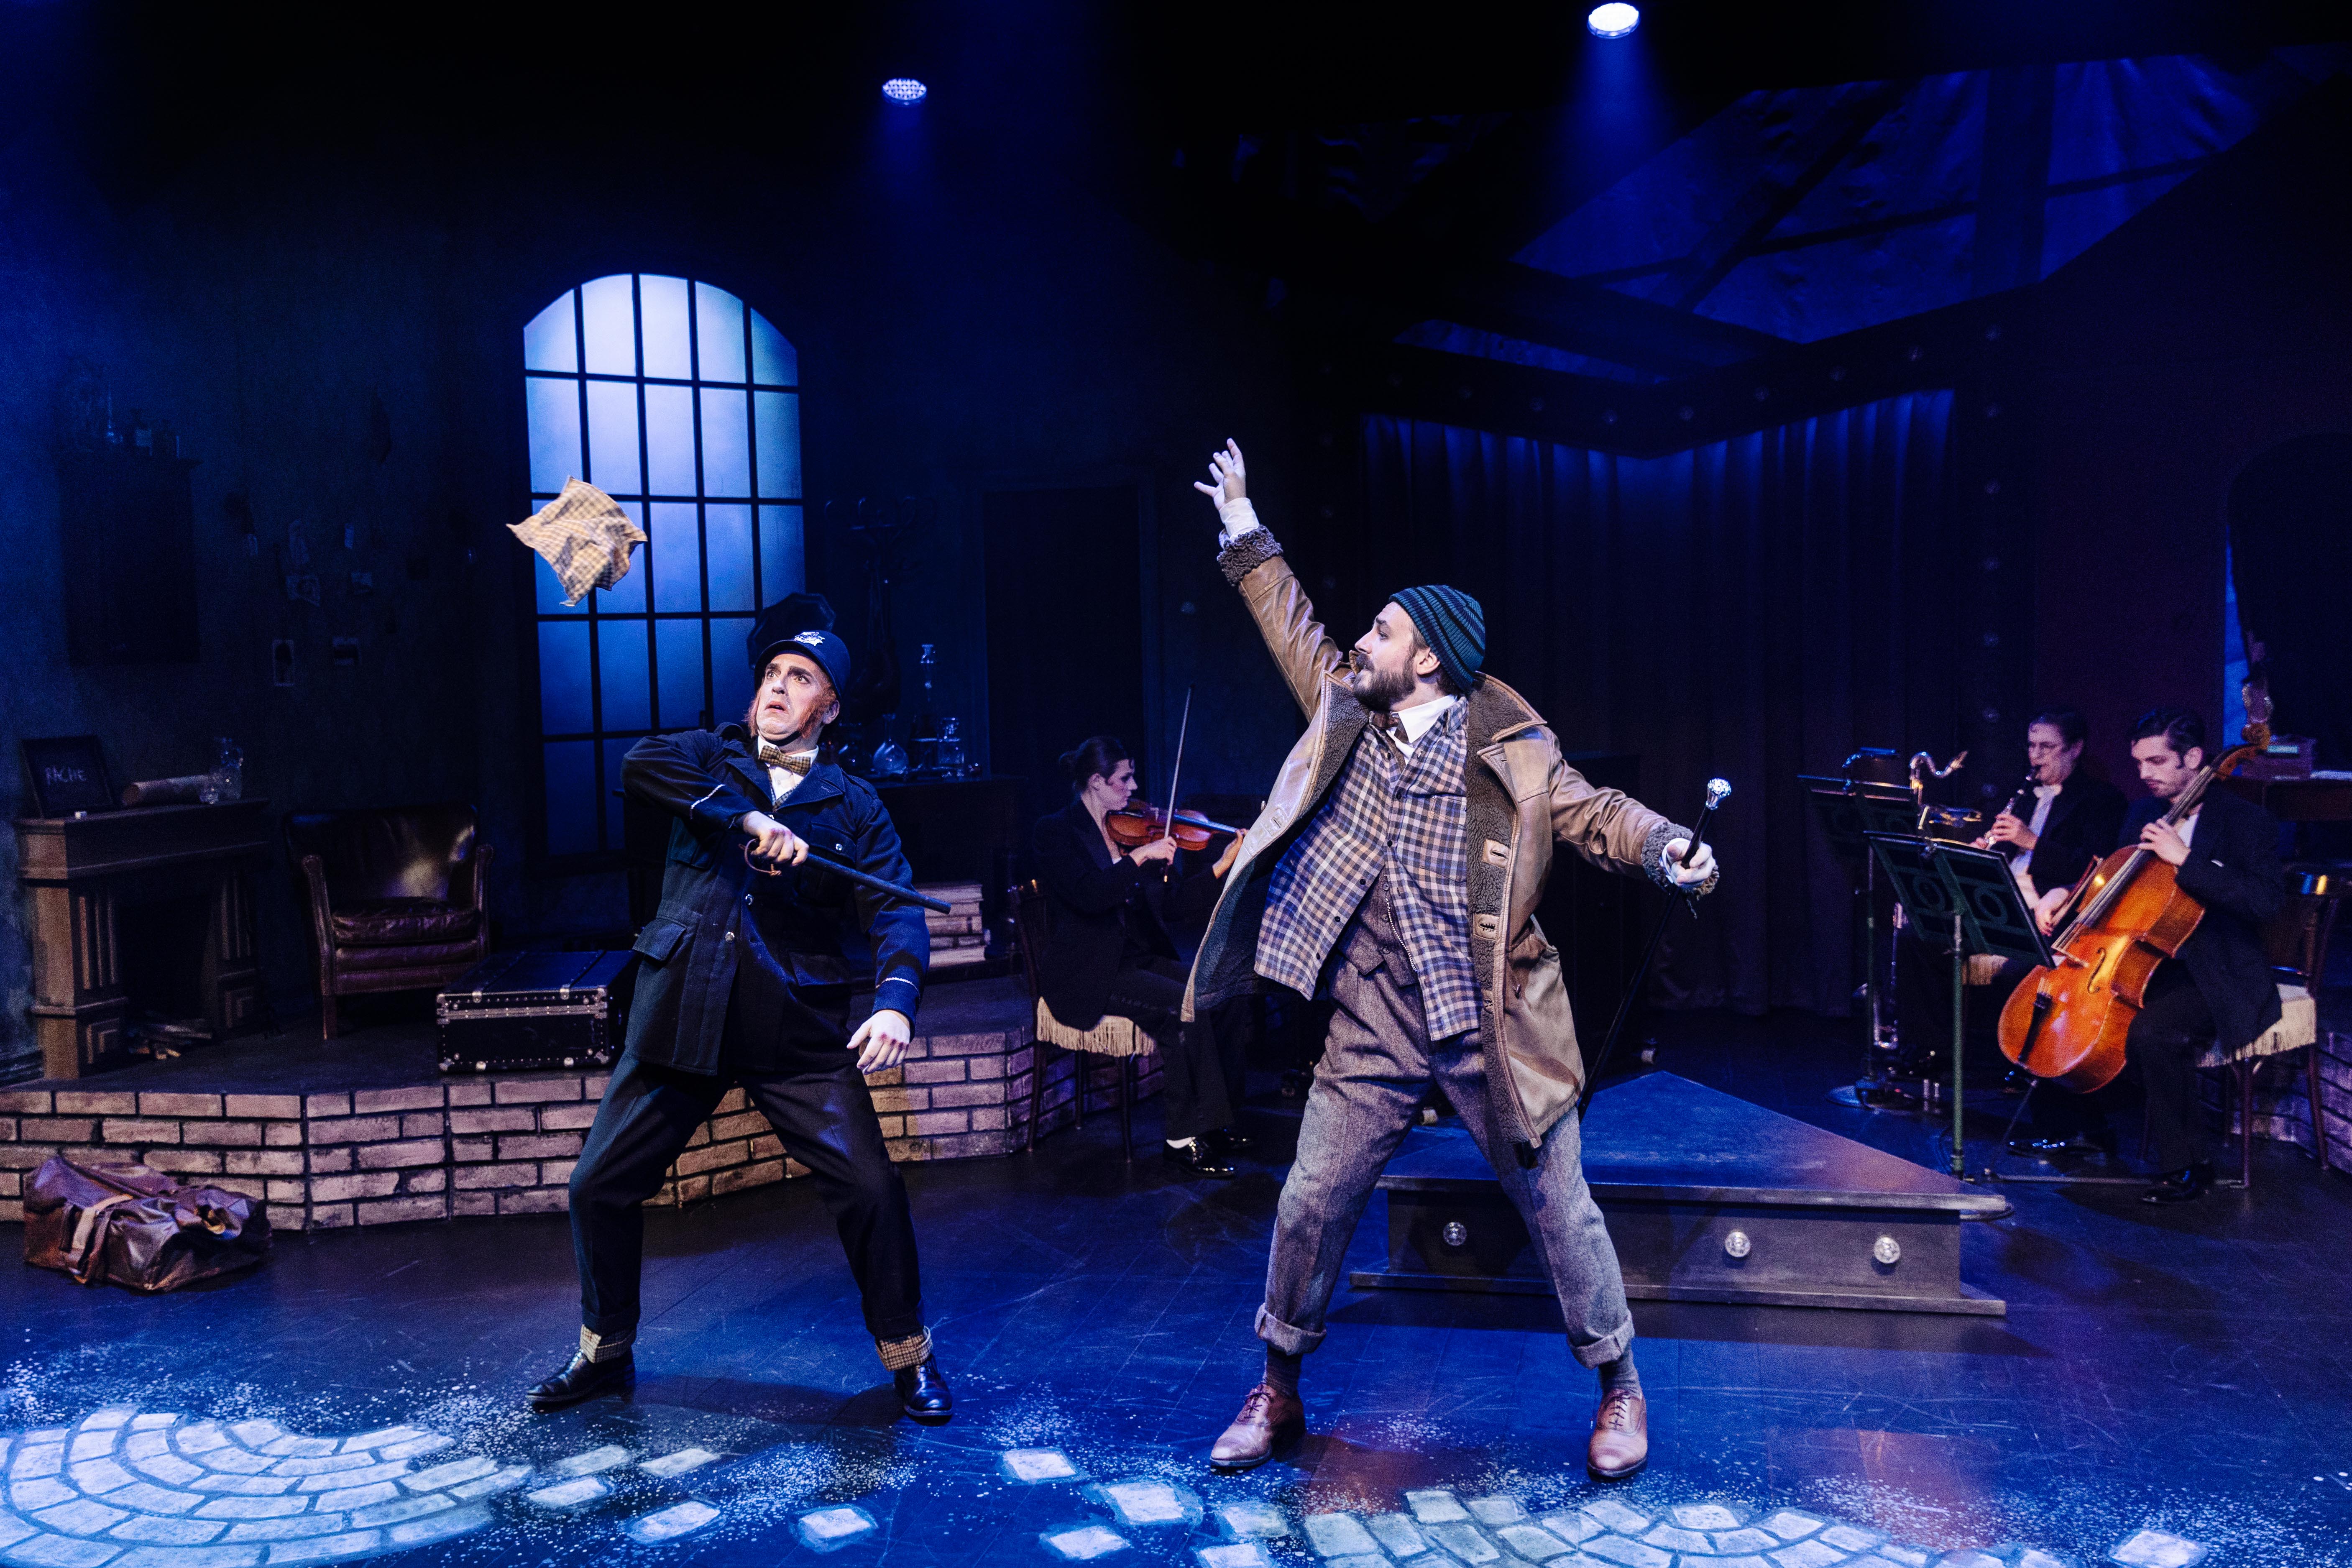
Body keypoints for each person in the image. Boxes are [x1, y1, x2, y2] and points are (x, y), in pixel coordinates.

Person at [1183, 441, 1718, 1481]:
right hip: (1372, 1012)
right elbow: (1290, 621)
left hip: (1490, 1021)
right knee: (1310, 1199)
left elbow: (1597, 813)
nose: (1360, 640)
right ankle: (1278, 1386)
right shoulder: (1346, 704)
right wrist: (1242, 523)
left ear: (1427, 657)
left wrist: (1666, 847)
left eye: (1382, 630)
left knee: (1558, 1207)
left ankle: (1619, 1383)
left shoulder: (1513, 749)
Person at [526, 603, 954, 1420]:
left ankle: (909, 1354)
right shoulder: (707, 755)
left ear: (830, 704)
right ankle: (604, 1351)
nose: (778, 687)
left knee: (870, 1188)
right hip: (683, 1010)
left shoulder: (855, 804)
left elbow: (896, 910)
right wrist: (745, 813)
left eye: (801, 678)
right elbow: (639, 763)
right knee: (597, 1185)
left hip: (793, 1028)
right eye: (772, 673)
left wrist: (896, 1002)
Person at [2013, 707, 2283, 1202]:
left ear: (2193, 758)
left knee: (2153, 1032)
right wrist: (2065, 896)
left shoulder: (2246, 821)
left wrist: (2186, 860)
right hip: (2143, 954)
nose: (2144, 773)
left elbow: (2265, 902)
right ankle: (2082, 1128)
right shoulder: (2141, 813)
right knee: (2059, 1000)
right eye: (2138, 763)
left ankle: (2188, 1164)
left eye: (2156, 761)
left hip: (2214, 967)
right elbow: (2112, 882)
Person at [1033, 737, 1246, 1176]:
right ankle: (1181, 1138)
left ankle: (1216, 1119)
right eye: (1125, 778)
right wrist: (1140, 857)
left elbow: (1173, 905)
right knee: (1182, 1007)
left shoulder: (1131, 831)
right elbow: (1090, 895)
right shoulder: (1056, 832)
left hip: (1133, 961)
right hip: (1086, 972)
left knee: (1224, 992)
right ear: (1096, 781)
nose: (1134, 787)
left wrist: (1222, 865)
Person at [1904, 709, 2126, 1084]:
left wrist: (2031, 841)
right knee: (1917, 935)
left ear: (2075, 749)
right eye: (2031, 746)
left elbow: (2095, 869)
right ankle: (1933, 1050)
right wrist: (1980, 854)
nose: (2036, 756)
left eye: (2047, 747)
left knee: (2017, 971)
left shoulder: (2102, 800)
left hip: (2047, 914)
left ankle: (2019, 1062)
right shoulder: (2020, 794)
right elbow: (2000, 853)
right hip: (1999, 905)